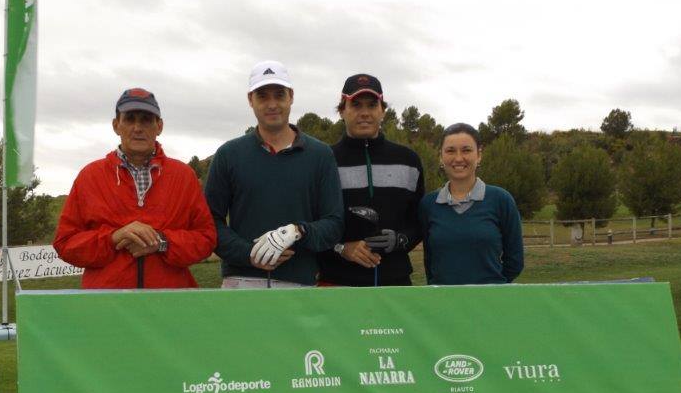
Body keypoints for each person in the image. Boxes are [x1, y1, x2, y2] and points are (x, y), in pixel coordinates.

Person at [54, 88, 216, 288]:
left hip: (171, 305)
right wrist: (113, 238)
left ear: (159, 126)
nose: (138, 127)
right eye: (130, 119)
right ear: (116, 125)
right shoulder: (90, 176)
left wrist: (162, 242)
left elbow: (206, 239)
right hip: (107, 307)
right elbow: (65, 243)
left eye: (146, 119)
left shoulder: (184, 176)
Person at [204, 60, 344, 288]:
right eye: (262, 96)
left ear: (291, 96)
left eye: (279, 95)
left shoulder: (320, 155)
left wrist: (299, 231)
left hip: (299, 283)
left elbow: (334, 224)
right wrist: (249, 253)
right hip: (241, 281)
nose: (272, 104)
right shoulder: (229, 154)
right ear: (250, 100)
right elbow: (210, 221)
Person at [318, 74, 425, 286]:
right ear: (342, 111)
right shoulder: (323, 160)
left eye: (372, 105)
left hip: (394, 282)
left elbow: (419, 221)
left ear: (382, 110)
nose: (365, 113)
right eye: (356, 105)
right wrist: (341, 247)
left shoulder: (408, 160)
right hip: (337, 281)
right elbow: (312, 223)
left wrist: (401, 240)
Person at [418, 123, 523, 285]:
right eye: (450, 151)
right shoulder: (429, 204)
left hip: (490, 302)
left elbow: (515, 261)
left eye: (466, 150)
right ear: (441, 156)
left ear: (479, 155)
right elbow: (430, 260)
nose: (458, 158)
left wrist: (493, 286)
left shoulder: (501, 200)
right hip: (443, 302)